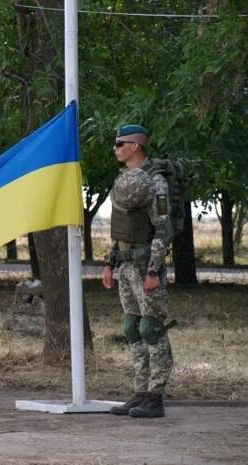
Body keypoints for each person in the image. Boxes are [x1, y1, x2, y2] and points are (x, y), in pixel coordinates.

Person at [102, 125, 174, 418]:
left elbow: (163, 229)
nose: (116, 148)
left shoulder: (155, 183)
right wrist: (109, 263)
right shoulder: (125, 181)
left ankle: (155, 398)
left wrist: (154, 268)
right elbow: (119, 231)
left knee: (151, 328)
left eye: (120, 143)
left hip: (146, 265)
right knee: (132, 328)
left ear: (136, 146)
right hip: (127, 264)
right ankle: (140, 392)